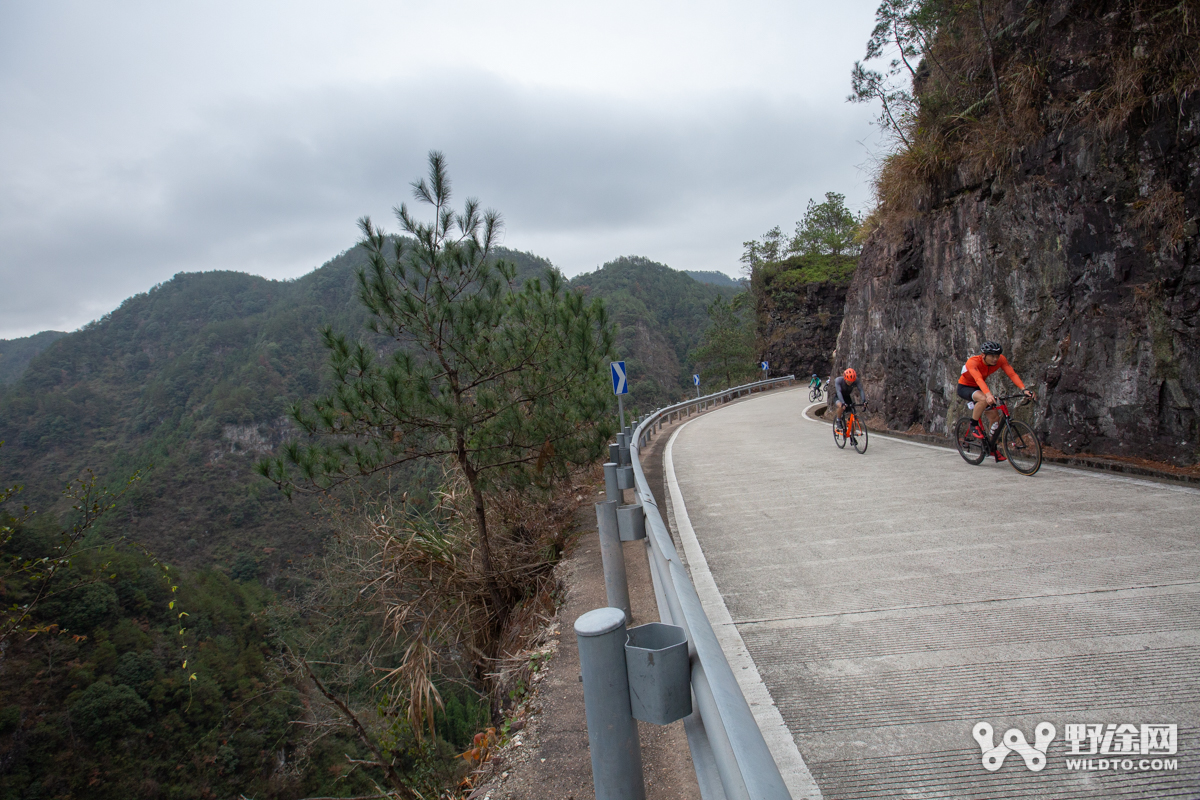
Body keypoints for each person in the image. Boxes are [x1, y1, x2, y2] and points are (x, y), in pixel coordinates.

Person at [957, 341, 1036, 462]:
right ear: (983, 355)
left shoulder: (1000, 360)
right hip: (965, 387)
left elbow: (1012, 374)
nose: (995, 359)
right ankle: (973, 424)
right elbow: (978, 379)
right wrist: (988, 395)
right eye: (992, 356)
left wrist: (1024, 389)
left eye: (997, 356)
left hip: (980, 387)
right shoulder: (973, 362)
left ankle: (991, 447)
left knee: (995, 418)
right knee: (983, 399)